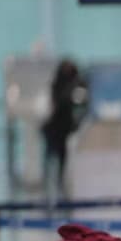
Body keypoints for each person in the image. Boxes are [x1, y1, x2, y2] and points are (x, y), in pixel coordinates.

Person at [42, 59, 88, 194]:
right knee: (53, 155)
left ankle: (59, 180)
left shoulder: (76, 84)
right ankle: (52, 181)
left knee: (62, 155)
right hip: (56, 126)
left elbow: (80, 102)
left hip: (65, 126)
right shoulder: (59, 84)